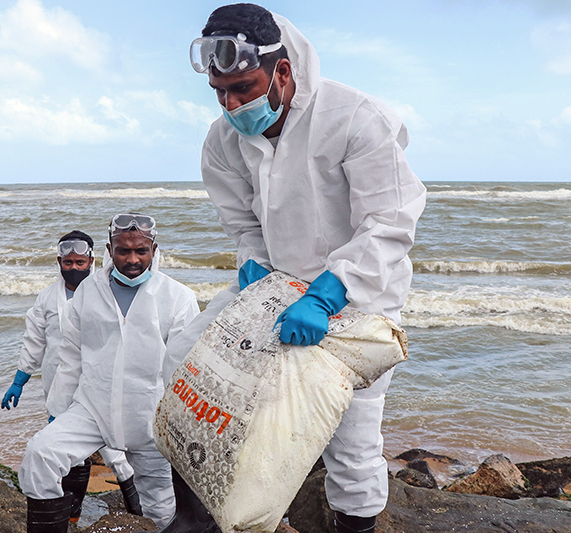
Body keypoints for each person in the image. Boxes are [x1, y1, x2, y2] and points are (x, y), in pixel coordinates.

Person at [161, 5, 427, 533]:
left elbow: (390, 221)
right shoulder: (222, 139)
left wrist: (331, 291)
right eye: (221, 92)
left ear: (282, 72)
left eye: (244, 88)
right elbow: (243, 223)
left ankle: (355, 523)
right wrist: (254, 265)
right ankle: (193, 518)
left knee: (350, 435)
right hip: (278, 287)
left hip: (359, 296)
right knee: (181, 357)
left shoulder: (355, 117)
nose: (232, 105)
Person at [18, 214, 200, 532]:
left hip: (150, 419)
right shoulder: (88, 292)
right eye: (123, 250)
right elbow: (71, 358)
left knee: (159, 505)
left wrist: (184, 426)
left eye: (141, 251)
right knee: (41, 455)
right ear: (109, 249)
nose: (132, 259)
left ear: (154, 250)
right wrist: (58, 411)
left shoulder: (177, 298)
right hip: (93, 409)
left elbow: (186, 369)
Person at [0, 230, 142, 522]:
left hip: (99, 385)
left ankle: (139, 512)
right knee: (68, 451)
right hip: (58, 385)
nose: (75, 268)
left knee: (114, 451)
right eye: (68, 263)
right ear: (58, 261)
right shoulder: (47, 298)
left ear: (92, 260)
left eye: (80, 262)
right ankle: (71, 516)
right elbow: (34, 341)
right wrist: (19, 379)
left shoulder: (107, 293)